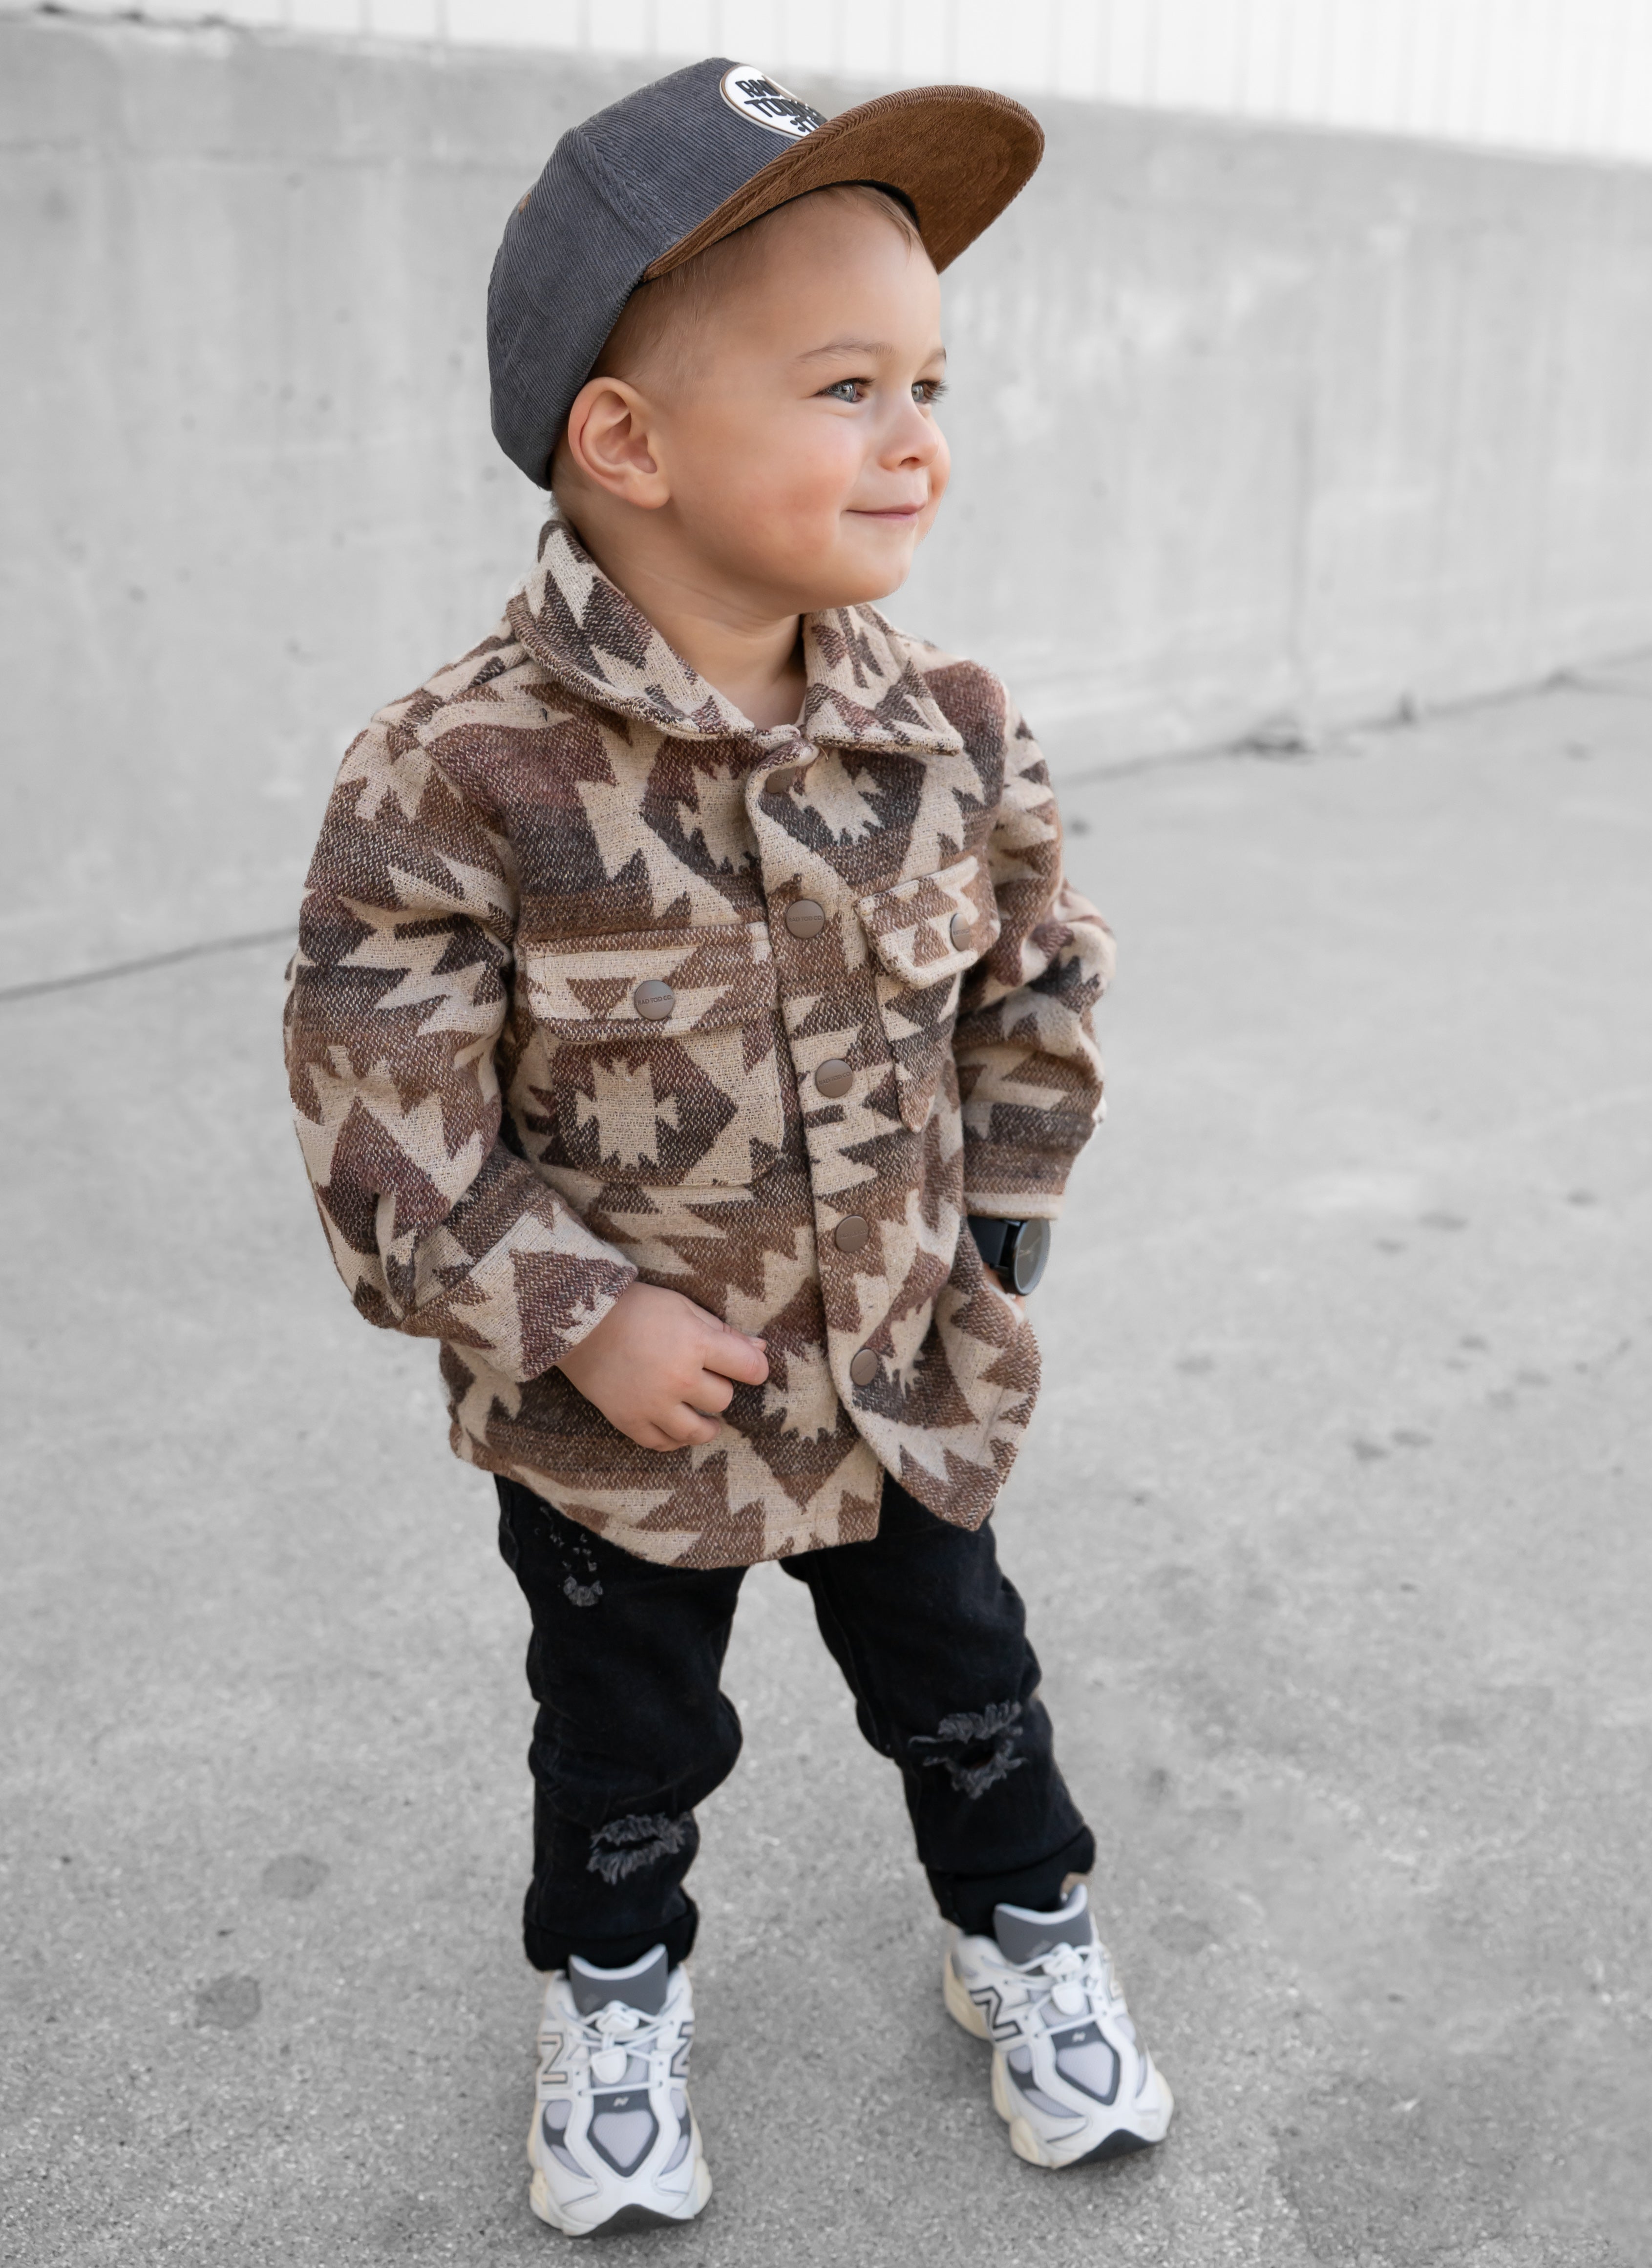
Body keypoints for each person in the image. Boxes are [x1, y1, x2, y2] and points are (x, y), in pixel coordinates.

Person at [283, 57, 1171, 2238]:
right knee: (620, 1751)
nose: (917, 435)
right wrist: (568, 1313)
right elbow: (374, 1097)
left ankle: (1026, 1937)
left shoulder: (943, 728)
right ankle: (612, 1990)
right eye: (847, 383)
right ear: (630, 443)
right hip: (623, 1432)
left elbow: (1038, 971)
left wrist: (1002, 1220)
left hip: (898, 1377)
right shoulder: (458, 774)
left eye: (931, 379)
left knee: (969, 1692)